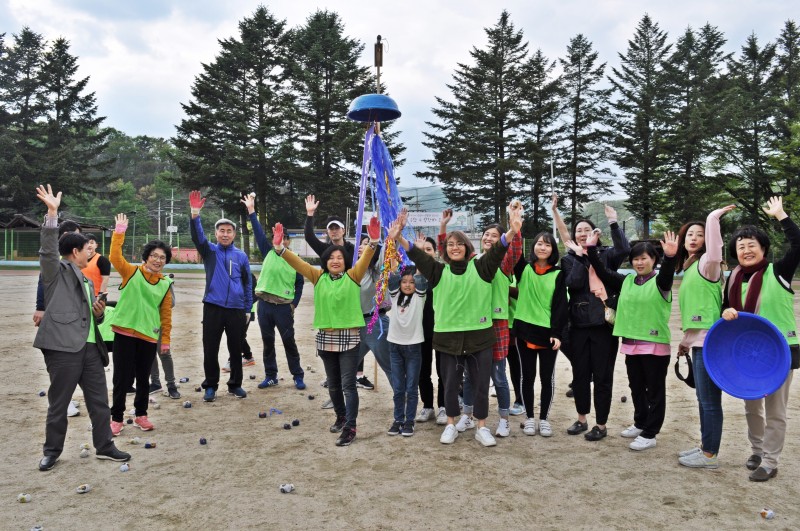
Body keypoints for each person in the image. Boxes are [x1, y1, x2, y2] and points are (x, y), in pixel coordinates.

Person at [395, 204, 523, 447]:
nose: (455, 248)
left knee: (482, 384)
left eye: (459, 244)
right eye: (450, 244)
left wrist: (512, 231)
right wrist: (400, 236)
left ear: (467, 247)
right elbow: (417, 254)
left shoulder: (482, 267)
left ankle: (481, 427)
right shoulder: (437, 270)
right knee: (451, 385)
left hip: (480, 338)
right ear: (446, 250)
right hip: (447, 339)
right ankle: (451, 424)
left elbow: (498, 251)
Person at [33, 184, 130, 471]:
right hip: (62, 347)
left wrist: (98, 314)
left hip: (89, 348)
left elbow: (90, 317)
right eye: (86, 247)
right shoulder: (55, 271)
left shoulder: (86, 279)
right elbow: (48, 250)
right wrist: (53, 214)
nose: (91, 250)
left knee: (100, 401)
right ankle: (52, 451)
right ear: (75, 251)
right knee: (59, 403)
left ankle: (105, 445)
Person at [273, 217, 380, 446]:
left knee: (348, 385)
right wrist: (280, 248)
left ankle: (350, 427)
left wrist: (373, 242)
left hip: (349, 338)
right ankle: (341, 417)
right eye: (331, 257)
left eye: (340, 257)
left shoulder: (353, 276)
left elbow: (366, 258)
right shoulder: (317, 277)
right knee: (333, 384)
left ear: (346, 261)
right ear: (325, 260)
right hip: (325, 337)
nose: (335, 260)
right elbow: (297, 263)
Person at [720, 196, 800, 482]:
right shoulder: (732, 278)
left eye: (752, 244)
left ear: (763, 248)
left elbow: (798, 245)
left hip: (779, 351)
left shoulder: (778, 272)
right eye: (741, 246)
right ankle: (756, 450)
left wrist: (782, 216)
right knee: (752, 405)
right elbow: (725, 313)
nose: (746, 250)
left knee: (775, 409)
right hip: (746, 352)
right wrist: (726, 311)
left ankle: (770, 460)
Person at [584, 229, 678, 451]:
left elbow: (666, 273)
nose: (639, 262)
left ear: (653, 260)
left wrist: (671, 257)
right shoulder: (627, 281)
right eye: (635, 258)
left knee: (654, 391)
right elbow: (602, 271)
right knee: (636, 387)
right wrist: (590, 249)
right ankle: (640, 422)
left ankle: (650, 432)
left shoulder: (660, 282)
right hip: (631, 344)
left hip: (654, 345)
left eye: (644, 258)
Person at [554, 195, 630, 441]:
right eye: (579, 231)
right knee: (580, 375)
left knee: (603, 376)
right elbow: (574, 282)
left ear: (594, 233)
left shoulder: (605, 255)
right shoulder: (568, 259)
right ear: (574, 236)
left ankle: (601, 423)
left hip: (603, 325)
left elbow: (625, 250)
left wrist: (614, 223)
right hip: (578, 325)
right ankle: (582, 418)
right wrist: (580, 256)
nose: (583, 233)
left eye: (587, 229)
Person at [675, 206, 735, 469]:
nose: (693, 237)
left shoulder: (707, 264)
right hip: (698, 343)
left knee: (710, 401)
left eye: (699, 234)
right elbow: (696, 314)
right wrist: (685, 344)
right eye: (689, 234)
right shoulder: (688, 269)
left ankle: (710, 454)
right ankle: (705, 446)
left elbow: (714, 251)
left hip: (711, 343)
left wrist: (712, 219)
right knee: (703, 399)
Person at [457, 208, 523, 438]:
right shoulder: (473, 261)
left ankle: (504, 419)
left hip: (496, 324)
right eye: (486, 234)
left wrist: (515, 229)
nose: (488, 237)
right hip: (474, 323)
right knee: (469, 374)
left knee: (498, 375)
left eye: (494, 235)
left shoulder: (504, 263)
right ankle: (467, 414)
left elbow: (514, 251)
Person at [108, 213, 174, 434]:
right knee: (121, 378)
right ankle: (116, 418)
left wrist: (165, 340)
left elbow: (166, 315)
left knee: (144, 378)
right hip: (125, 332)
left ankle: (141, 415)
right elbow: (115, 257)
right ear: (146, 257)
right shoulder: (131, 272)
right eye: (154, 256)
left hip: (148, 335)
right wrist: (119, 233)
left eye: (162, 257)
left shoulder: (165, 284)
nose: (157, 260)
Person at [189, 190, 252, 402]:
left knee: (236, 350)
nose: (225, 234)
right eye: (221, 231)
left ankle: (235, 385)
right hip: (213, 307)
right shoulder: (210, 252)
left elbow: (247, 283)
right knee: (210, 349)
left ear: (234, 234)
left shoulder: (241, 256)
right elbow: (198, 237)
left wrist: (248, 309)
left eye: (229, 231)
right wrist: (195, 215)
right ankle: (211, 385)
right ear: (216, 234)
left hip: (236, 309)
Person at [241, 194, 305, 390]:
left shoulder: (294, 259)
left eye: (284, 238)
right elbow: (258, 232)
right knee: (267, 342)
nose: (281, 240)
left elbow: (300, 283)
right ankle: (271, 375)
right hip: (265, 306)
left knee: (288, 341)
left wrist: (294, 303)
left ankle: (297, 375)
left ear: (288, 241)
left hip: (284, 308)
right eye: (278, 237)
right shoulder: (268, 251)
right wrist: (251, 211)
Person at [514, 232, 568, 437]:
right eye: (539, 243)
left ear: (553, 249)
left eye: (547, 244)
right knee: (527, 376)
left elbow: (561, 306)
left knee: (547, 377)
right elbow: (515, 251)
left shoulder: (558, 274)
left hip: (548, 334)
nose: (542, 247)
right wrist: (517, 227)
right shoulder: (524, 269)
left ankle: (544, 418)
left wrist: (557, 333)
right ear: (533, 247)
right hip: (524, 330)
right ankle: (529, 418)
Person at [33, 219, 85, 417]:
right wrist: (40, 307)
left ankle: (68, 398)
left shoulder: (77, 264)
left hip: (73, 318)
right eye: (77, 235)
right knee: (60, 361)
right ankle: (64, 401)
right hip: (55, 318)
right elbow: (42, 282)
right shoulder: (55, 262)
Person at [386, 266, 428, 436]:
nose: (408, 285)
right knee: (398, 388)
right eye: (404, 281)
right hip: (394, 346)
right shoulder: (395, 296)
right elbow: (392, 280)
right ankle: (398, 419)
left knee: (411, 387)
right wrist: (395, 268)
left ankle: (409, 421)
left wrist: (418, 267)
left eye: (411, 282)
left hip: (413, 347)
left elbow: (421, 282)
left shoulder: (420, 297)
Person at [413, 234, 446, 424]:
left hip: (441, 329)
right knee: (422, 370)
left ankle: (443, 406)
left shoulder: (442, 273)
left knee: (443, 370)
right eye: (421, 250)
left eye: (428, 250)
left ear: (435, 253)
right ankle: (427, 406)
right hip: (419, 330)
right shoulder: (411, 275)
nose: (425, 253)